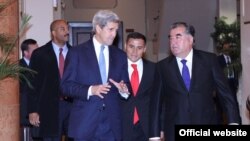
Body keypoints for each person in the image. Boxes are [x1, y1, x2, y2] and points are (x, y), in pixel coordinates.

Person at [149, 22, 241, 141]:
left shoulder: (209, 60)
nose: (173, 42)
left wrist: (233, 123)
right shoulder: (162, 67)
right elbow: (156, 103)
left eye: (178, 37)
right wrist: (155, 135)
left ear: (191, 39)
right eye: (170, 38)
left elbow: (225, 94)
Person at [60, 10, 130, 141]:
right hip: (84, 123)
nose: (114, 34)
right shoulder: (77, 53)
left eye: (116, 30)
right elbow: (65, 86)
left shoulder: (120, 55)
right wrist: (91, 90)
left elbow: (126, 84)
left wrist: (124, 89)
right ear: (98, 28)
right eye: (110, 29)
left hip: (112, 124)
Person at [28, 19, 73, 141]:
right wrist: (33, 110)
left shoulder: (75, 53)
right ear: (53, 33)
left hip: (73, 107)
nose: (67, 32)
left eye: (67, 29)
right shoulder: (40, 54)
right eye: (62, 29)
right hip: (49, 107)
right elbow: (32, 84)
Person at [121, 32, 157, 141]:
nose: (134, 52)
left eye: (139, 48)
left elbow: (159, 100)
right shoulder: (115, 68)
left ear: (145, 49)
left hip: (146, 127)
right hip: (121, 126)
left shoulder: (154, 69)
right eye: (131, 47)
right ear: (125, 46)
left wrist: (159, 128)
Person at [19, 39, 39, 141]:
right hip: (25, 110)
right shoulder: (17, 68)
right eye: (35, 50)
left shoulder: (41, 65)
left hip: (40, 110)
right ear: (26, 53)